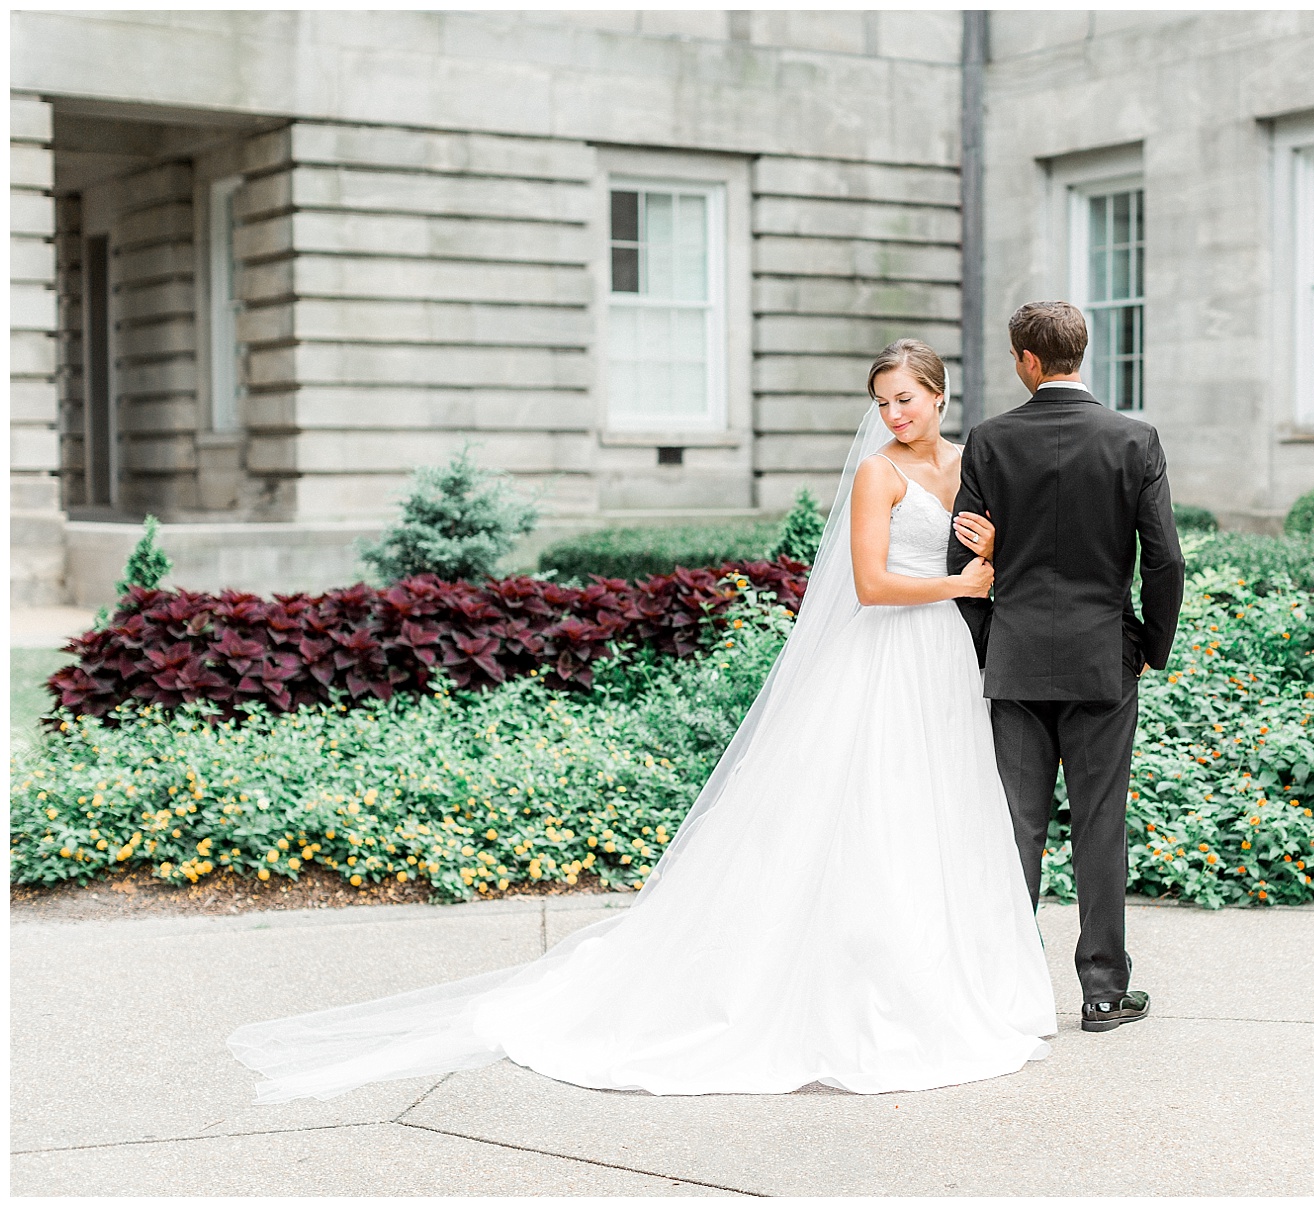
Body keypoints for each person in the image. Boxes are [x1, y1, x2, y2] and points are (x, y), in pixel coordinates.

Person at [227, 339, 1057, 1102]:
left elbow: (982, 558)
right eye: (882, 402)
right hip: (881, 657)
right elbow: (873, 584)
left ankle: (944, 978)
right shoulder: (879, 473)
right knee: (867, 812)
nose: (893, 415)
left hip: (943, 661)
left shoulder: (965, 462)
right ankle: (859, 985)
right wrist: (960, 584)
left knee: (938, 812)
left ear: (940, 396)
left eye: (906, 399)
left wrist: (979, 555)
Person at [947, 300, 1184, 1033]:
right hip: (1103, 660)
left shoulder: (988, 442)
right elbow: (1166, 559)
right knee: (1100, 822)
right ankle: (1105, 993)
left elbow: (960, 560)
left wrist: (993, 639)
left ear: (1025, 359)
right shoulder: (1133, 439)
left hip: (1016, 660)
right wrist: (1149, 644)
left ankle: (1006, 995)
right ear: (1083, 352)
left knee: (1017, 827)